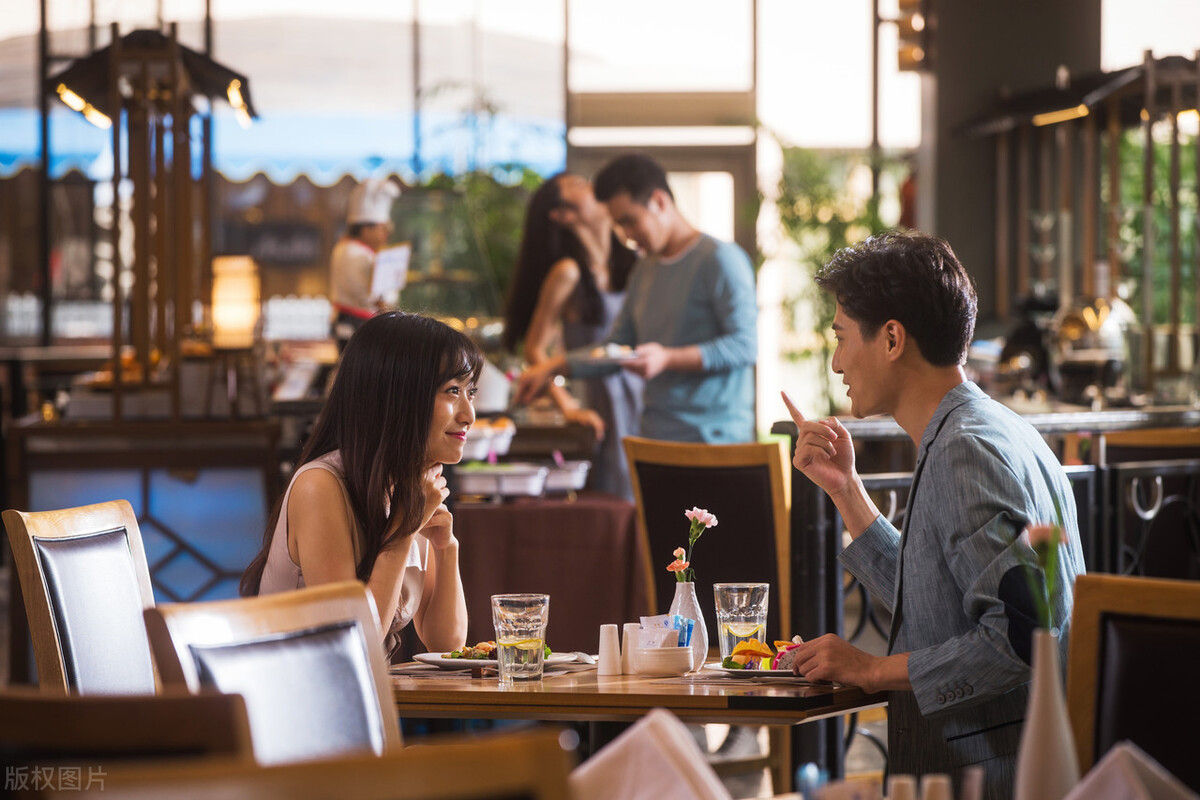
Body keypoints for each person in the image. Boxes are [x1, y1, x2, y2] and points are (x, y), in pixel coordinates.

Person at [780, 231, 1086, 800]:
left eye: (841, 338)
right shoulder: (995, 428)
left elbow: (1022, 635)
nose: (837, 362)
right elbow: (940, 597)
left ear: (892, 339)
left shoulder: (963, 450)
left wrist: (871, 669)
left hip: (989, 778)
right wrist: (847, 490)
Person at [241, 311, 475, 657]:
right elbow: (353, 644)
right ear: (397, 396)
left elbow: (447, 644)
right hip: (293, 688)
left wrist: (447, 548)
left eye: (471, 392)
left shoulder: (408, 484)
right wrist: (403, 531)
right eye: (453, 391)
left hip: (358, 689)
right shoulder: (320, 486)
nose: (469, 415)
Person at [515, 153, 757, 444]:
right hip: (654, 436)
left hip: (718, 441)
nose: (627, 236)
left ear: (659, 201)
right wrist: (554, 367)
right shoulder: (643, 269)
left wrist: (667, 358)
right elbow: (618, 347)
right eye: (620, 225)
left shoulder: (720, 259)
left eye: (630, 221)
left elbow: (745, 345)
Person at [504, 172, 642, 499]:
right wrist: (568, 407)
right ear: (561, 214)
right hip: (604, 406)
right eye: (578, 185)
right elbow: (535, 349)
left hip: (644, 398)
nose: (591, 186)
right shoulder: (568, 272)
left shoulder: (635, 264)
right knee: (620, 500)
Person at [329, 178, 401, 349]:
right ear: (365, 229)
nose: (386, 233)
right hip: (356, 324)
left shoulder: (354, 250)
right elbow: (371, 296)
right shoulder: (352, 253)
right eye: (382, 228)